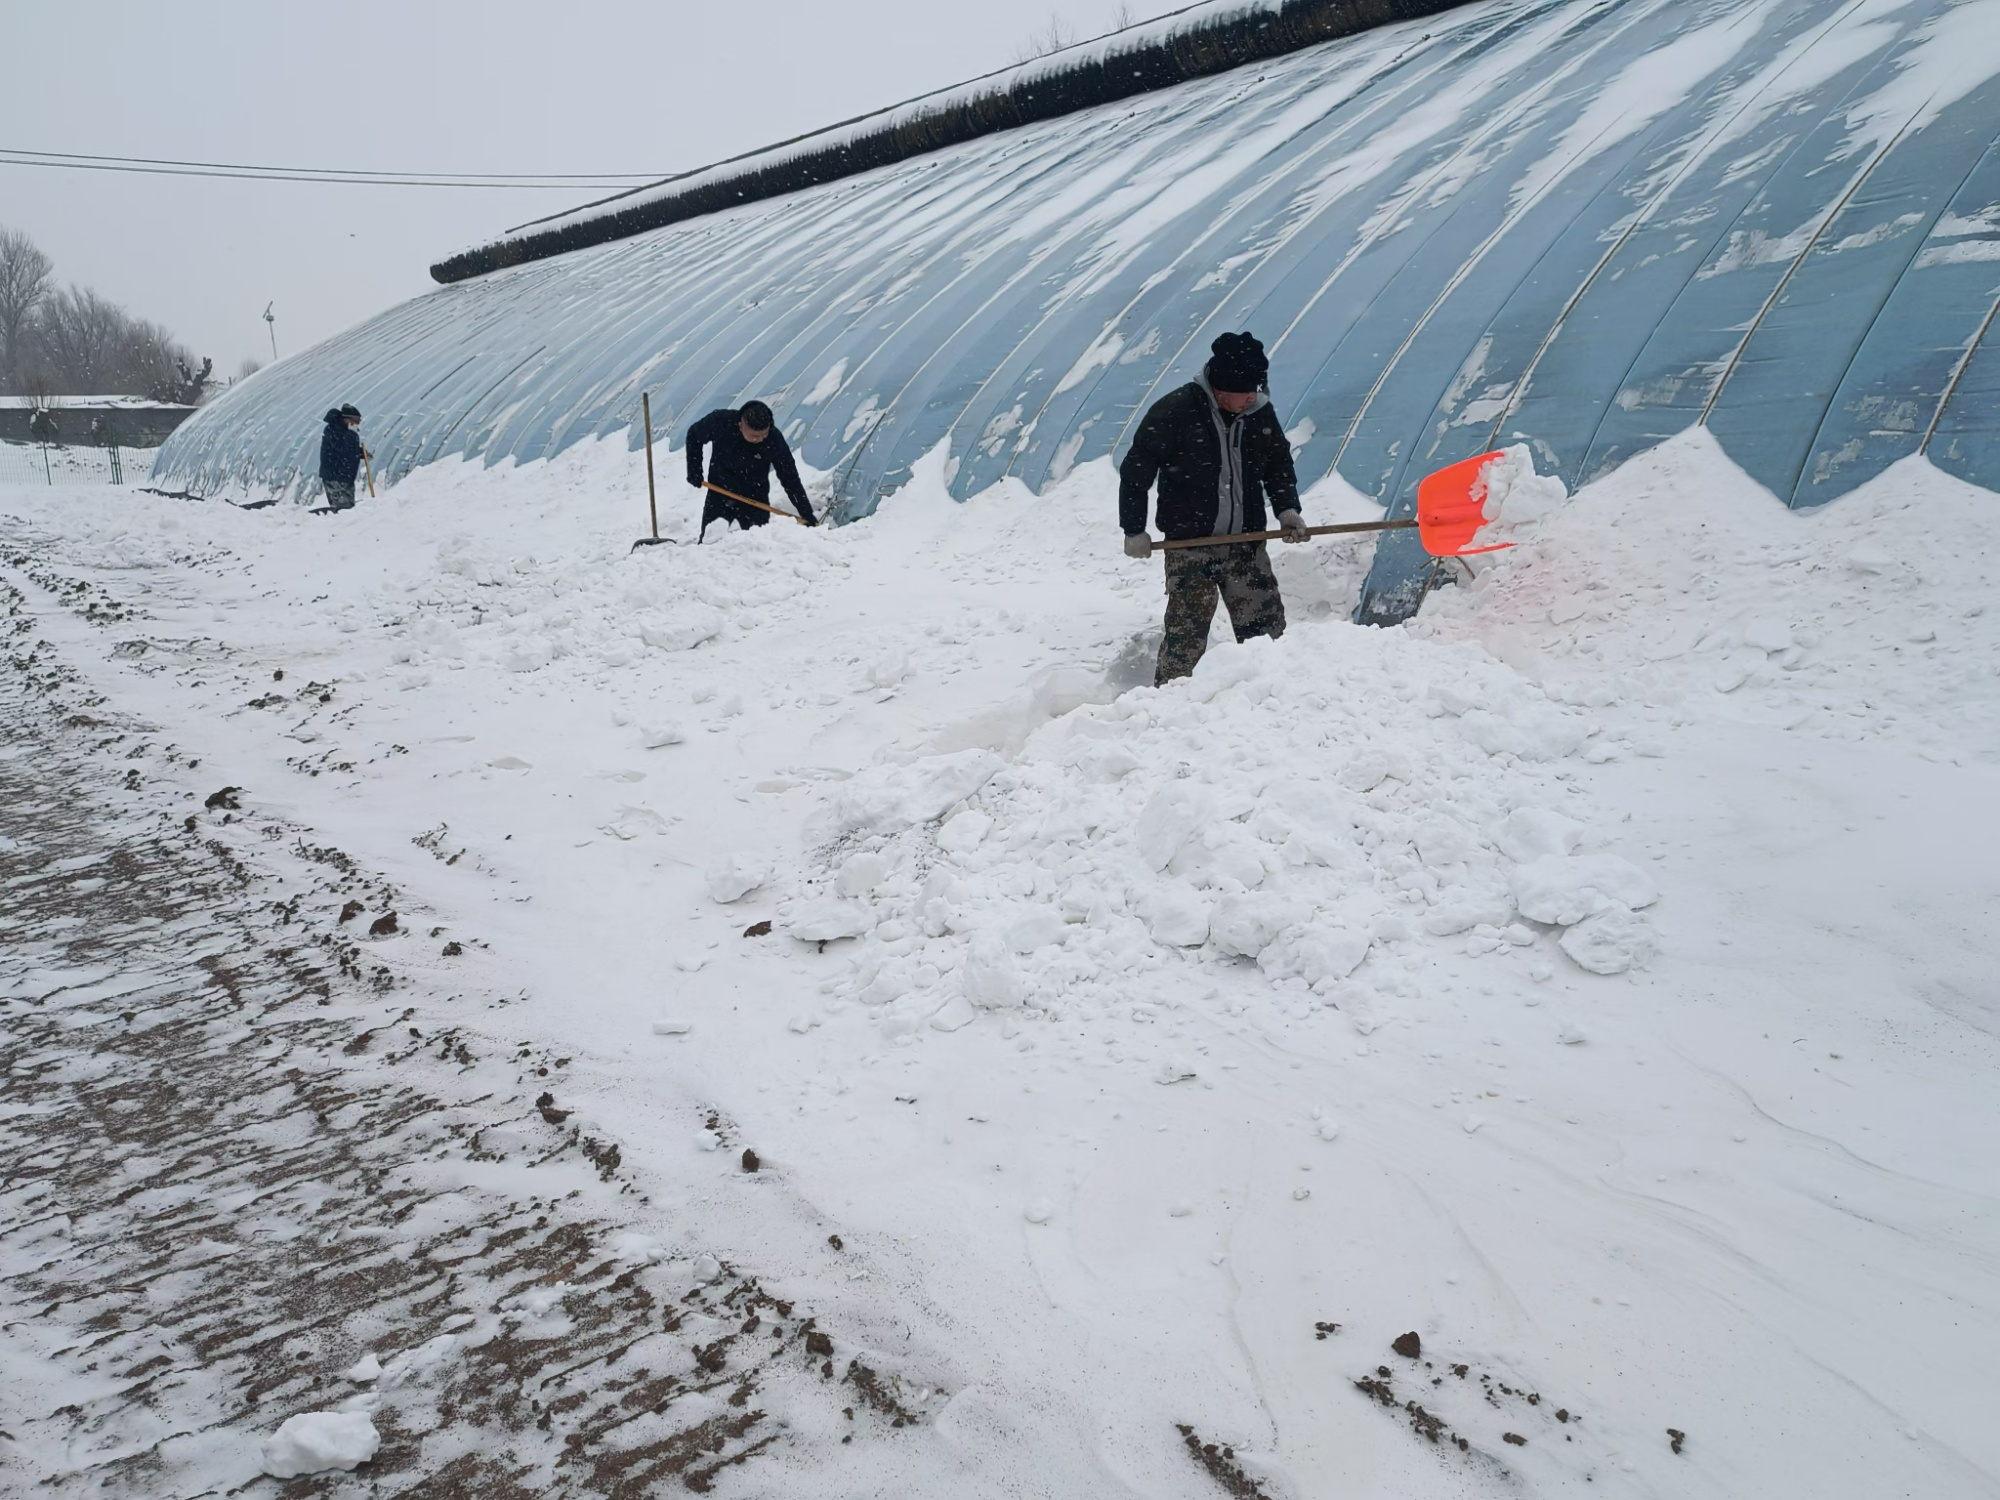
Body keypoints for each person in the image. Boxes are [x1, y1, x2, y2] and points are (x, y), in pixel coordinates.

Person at [1119, 332, 1307, 686]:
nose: (1252, 396)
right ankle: (1169, 707)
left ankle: (1278, 701)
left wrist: (1287, 510)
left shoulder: (1259, 412)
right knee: (1185, 644)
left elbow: (1278, 464)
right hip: (1190, 548)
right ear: (1221, 387)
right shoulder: (1175, 411)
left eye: (1255, 388)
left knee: (1267, 639)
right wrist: (1133, 529)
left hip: (1246, 543)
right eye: (1243, 390)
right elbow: (1136, 471)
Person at [685, 400, 818, 538]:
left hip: (755, 496)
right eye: (755, 436)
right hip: (720, 491)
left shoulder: (774, 439)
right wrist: (694, 470)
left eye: (763, 435)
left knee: (758, 543)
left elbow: (789, 478)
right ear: (741, 425)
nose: (760, 440)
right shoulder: (721, 422)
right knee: (709, 541)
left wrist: (806, 513)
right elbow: (694, 436)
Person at [318, 404, 365, 511]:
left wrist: (360, 452)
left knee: (346, 509)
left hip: (344, 476)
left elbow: (347, 451)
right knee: (342, 510)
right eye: (356, 420)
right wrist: (352, 435)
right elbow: (343, 448)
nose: (357, 424)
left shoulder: (343, 431)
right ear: (348, 419)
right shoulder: (334, 430)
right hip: (336, 477)